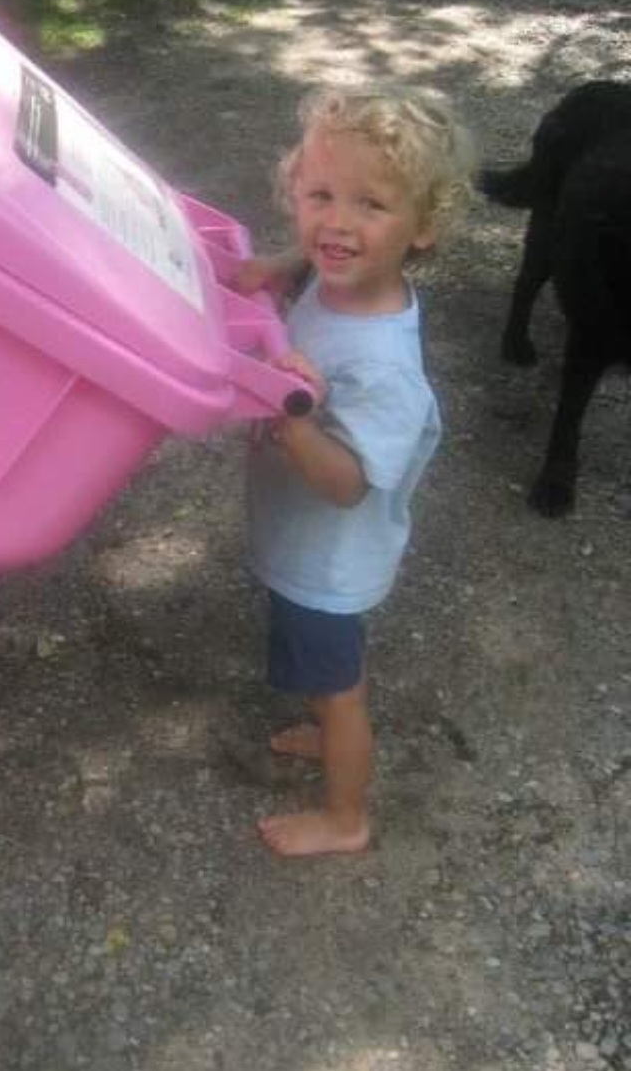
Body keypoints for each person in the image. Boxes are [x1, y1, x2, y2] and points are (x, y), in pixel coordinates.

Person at [235, 85, 475, 858]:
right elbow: (315, 254)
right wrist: (279, 262)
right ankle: (323, 725)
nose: (335, 223)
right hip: (297, 548)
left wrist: (296, 412)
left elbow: (344, 485)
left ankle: (346, 817)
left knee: (340, 690)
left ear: (423, 229)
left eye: (370, 205)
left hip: (327, 565)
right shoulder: (336, 275)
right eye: (319, 196)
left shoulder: (385, 372)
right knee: (315, 667)